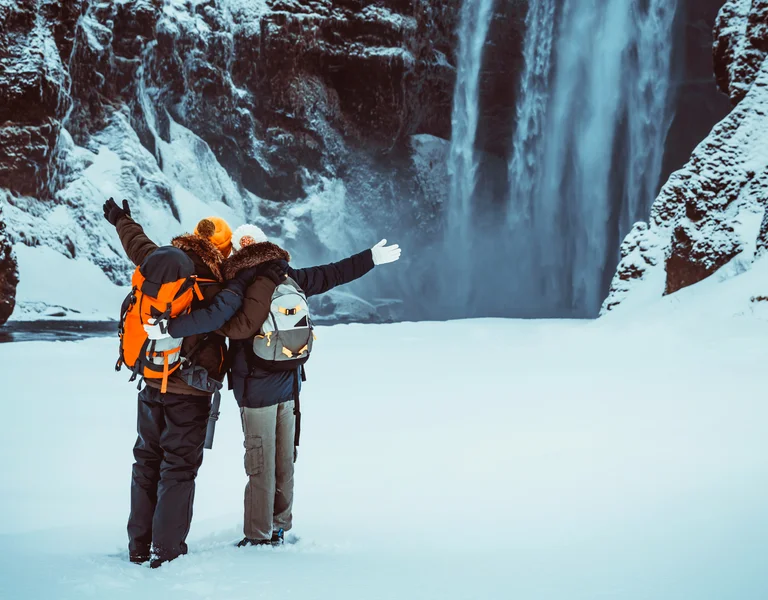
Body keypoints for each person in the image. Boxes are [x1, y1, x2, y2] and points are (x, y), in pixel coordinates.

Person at [216, 224, 402, 547]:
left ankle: (258, 536)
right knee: (284, 459)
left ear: (236, 250)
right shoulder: (287, 276)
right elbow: (332, 273)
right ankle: (279, 526)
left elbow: (223, 322)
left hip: (256, 390)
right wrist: (369, 258)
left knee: (259, 462)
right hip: (289, 384)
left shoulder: (238, 282)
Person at [102, 199, 261, 567]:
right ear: (222, 249)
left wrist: (120, 217)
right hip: (190, 391)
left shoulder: (162, 263)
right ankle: (167, 552)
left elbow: (135, 242)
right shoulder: (219, 284)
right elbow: (234, 320)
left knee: (145, 463)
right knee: (178, 468)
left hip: (151, 383)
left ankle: (138, 548)